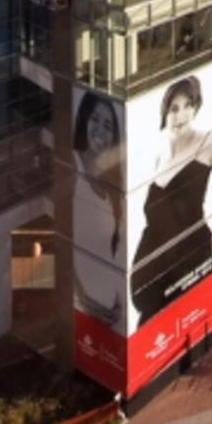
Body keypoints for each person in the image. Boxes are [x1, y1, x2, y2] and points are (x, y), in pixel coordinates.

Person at [131, 74, 212, 327]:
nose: (181, 116)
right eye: (174, 109)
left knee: (182, 326)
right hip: (156, 277)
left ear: (196, 107)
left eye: (188, 106)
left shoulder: (208, 141)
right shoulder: (160, 157)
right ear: (164, 112)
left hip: (189, 261)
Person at [72, 91, 125, 328]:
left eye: (108, 125)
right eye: (94, 119)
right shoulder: (71, 163)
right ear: (84, 119)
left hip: (113, 304)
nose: (100, 131)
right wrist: (80, 295)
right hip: (85, 302)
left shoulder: (113, 177)